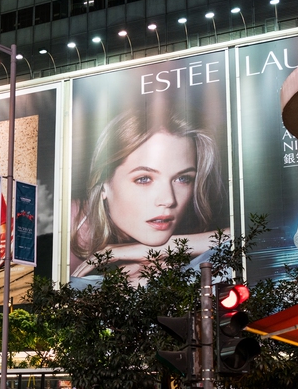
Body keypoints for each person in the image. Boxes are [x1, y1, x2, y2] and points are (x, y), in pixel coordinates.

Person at [70, 109, 224, 286]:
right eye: (144, 179)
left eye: (183, 179)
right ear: (103, 183)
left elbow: (251, 236)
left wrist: (160, 249)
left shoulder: (188, 227)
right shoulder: (72, 225)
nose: (168, 200)